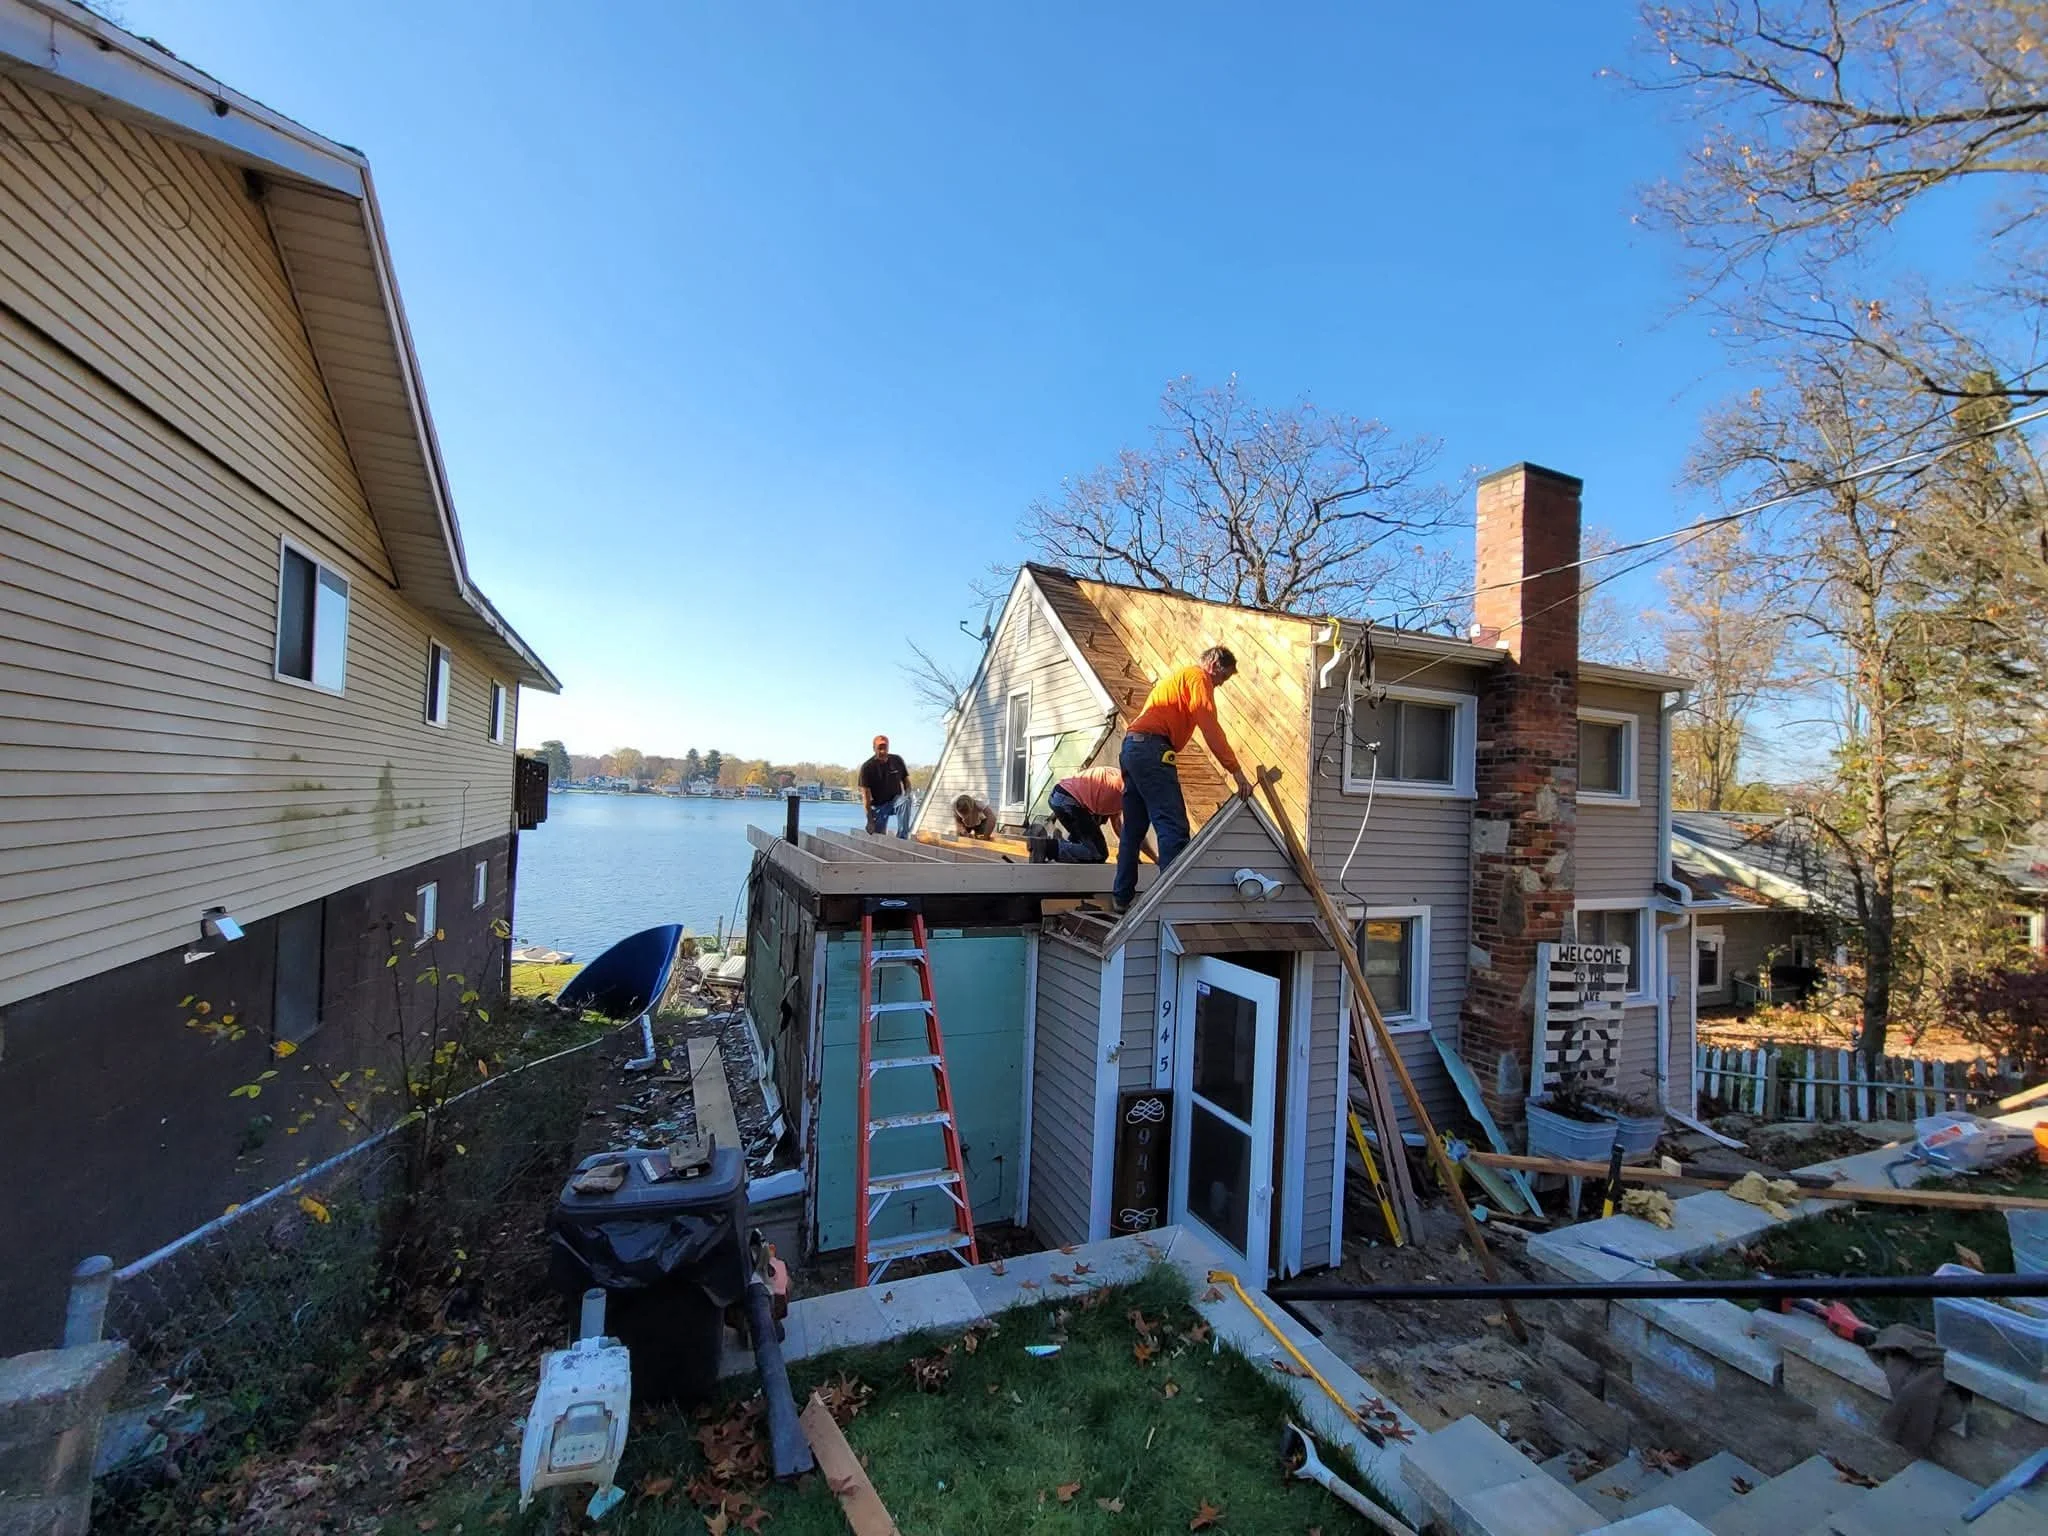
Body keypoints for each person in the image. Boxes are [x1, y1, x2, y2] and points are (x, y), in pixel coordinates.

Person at [1112, 646, 1252, 910]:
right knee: (1173, 827)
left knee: (1133, 828)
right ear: (1214, 664)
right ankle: (1172, 902)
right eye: (1223, 676)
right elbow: (1210, 726)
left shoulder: (1179, 681)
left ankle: (1121, 897)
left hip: (1133, 747)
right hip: (1152, 749)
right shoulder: (1198, 678)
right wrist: (1236, 770)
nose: (1221, 684)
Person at [1034, 765, 1127, 864]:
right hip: (1069, 801)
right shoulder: (1124, 788)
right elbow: (1130, 828)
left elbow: (1116, 823)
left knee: (1088, 833)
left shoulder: (1121, 779)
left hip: (1060, 794)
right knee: (1098, 853)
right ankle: (1047, 847)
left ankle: (1064, 844)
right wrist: (1129, 851)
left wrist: (1127, 848)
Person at [859, 735, 913, 837]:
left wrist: (907, 795)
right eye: (879, 748)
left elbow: (907, 782)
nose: (883, 751)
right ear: (874, 748)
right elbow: (866, 798)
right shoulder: (867, 768)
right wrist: (870, 820)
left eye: (885, 748)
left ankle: (902, 837)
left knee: (905, 801)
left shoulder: (897, 760)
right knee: (877, 835)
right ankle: (878, 830)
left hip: (895, 802)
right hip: (878, 806)